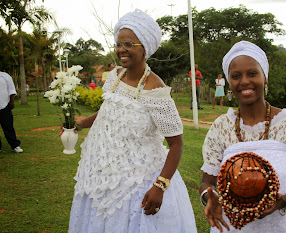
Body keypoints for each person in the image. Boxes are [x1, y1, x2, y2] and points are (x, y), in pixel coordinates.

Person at [68, 9, 197, 233]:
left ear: (145, 47)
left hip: (138, 184)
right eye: (119, 44)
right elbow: (107, 112)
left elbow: (176, 143)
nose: (121, 50)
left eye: (128, 44)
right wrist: (79, 123)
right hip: (102, 174)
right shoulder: (114, 77)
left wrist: (160, 186)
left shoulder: (155, 89)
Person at [199, 41, 286, 233]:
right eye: (236, 76)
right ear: (229, 83)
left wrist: (284, 200)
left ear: (265, 77)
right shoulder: (221, 127)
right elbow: (207, 182)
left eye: (252, 73)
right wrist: (209, 198)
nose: (244, 81)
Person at [0, 71, 23, 153]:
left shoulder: (5, 76)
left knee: (8, 127)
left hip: (4, 106)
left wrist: (12, 101)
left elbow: (11, 90)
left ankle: (15, 145)